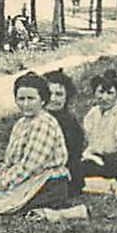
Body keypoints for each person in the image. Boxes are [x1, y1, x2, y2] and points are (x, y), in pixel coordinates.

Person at [0, 73, 72, 216]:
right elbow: (10, 161)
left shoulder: (43, 123)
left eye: (31, 99)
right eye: (21, 99)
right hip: (27, 177)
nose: (25, 104)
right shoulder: (21, 124)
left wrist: (4, 183)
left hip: (49, 182)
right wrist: (0, 177)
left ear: (43, 100)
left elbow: (31, 165)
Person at [44, 68, 89, 197]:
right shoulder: (40, 118)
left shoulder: (68, 124)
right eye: (49, 94)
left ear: (67, 97)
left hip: (64, 178)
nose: (53, 99)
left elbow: (68, 159)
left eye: (59, 94)